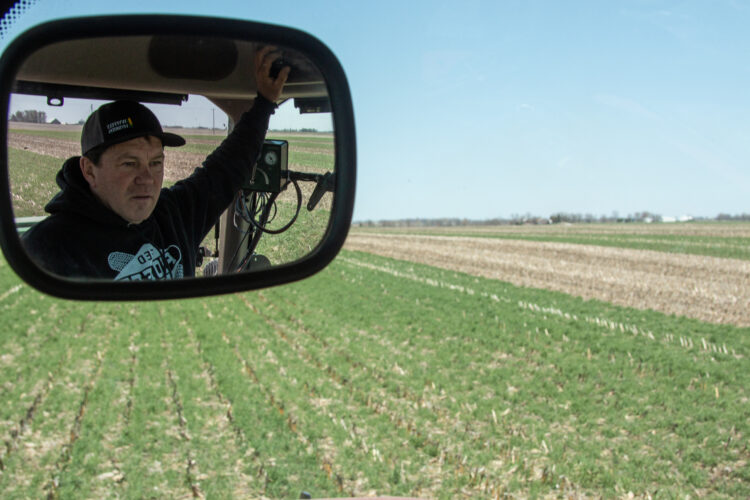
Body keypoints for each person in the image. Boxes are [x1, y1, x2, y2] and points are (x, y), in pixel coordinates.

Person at [22, 46, 290, 280]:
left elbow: (227, 167)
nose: (147, 179)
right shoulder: (47, 247)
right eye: (129, 164)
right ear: (89, 170)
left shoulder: (174, 214)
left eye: (155, 163)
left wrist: (265, 104)